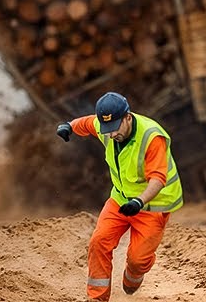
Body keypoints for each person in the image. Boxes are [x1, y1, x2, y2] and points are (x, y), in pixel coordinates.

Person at [55, 92, 184, 301]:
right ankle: (97, 298)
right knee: (99, 241)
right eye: (107, 129)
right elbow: (88, 123)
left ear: (128, 117)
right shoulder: (107, 128)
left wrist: (139, 201)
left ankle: (133, 277)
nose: (112, 134)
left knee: (137, 260)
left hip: (153, 205)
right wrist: (69, 126)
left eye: (115, 128)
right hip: (121, 199)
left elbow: (158, 179)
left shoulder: (152, 137)